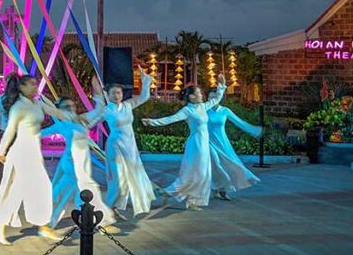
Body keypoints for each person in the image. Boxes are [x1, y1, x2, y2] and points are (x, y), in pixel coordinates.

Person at [0, 74, 82, 245]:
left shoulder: (37, 103)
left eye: (35, 84)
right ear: (22, 87)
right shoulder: (18, 107)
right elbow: (10, 130)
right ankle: (2, 226)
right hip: (21, 153)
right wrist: (0, 151)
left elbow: (55, 112)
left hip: (33, 153)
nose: (35, 87)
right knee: (17, 190)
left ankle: (42, 226)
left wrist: (72, 116)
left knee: (42, 188)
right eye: (31, 84)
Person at [142, 74, 227, 210]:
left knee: (204, 173)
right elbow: (171, 119)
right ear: (192, 97)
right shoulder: (187, 110)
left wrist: (221, 85)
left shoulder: (202, 107)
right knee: (195, 172)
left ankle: (174, 193)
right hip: (196, 145)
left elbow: (217, 98)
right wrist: (152, 122)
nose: (201, 95)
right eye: (199, 93)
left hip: (204, 144)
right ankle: (188, 199)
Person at [40, 95, 120, 234]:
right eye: (66, 107)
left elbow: (98, 110)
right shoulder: (62, 124)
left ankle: (45, 222)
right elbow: (40, 133)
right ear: (59, 110)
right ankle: (104, 222)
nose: (71, 109)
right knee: (89, 189)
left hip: (81, 163)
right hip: (73, 164)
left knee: (63, 191)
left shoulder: (82, 120)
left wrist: (98, 95)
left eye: (72, 106)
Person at [94, 70, 157, 220]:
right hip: (115, 147)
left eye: (119, 93)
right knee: (118, 179)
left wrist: (146, 81)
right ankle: (107, 209)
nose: (117, 96)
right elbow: (90, 122)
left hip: (130, 147)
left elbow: (144, 97)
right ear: (107, 95)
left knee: (129, 180)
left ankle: (112, 208)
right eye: (114, 93)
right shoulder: (106, 110)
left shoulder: (128, 105)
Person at [207, 102, 262, 200]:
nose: (213, 100)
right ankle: (219, 189)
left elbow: (239, 122)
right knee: (216, 164)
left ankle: (220, 189)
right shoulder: (206, 110)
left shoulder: (225, 110)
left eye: (214, 97)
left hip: (222, 142)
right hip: (209, 142)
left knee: (229, 164)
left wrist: (253, 130)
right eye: (210, 98)